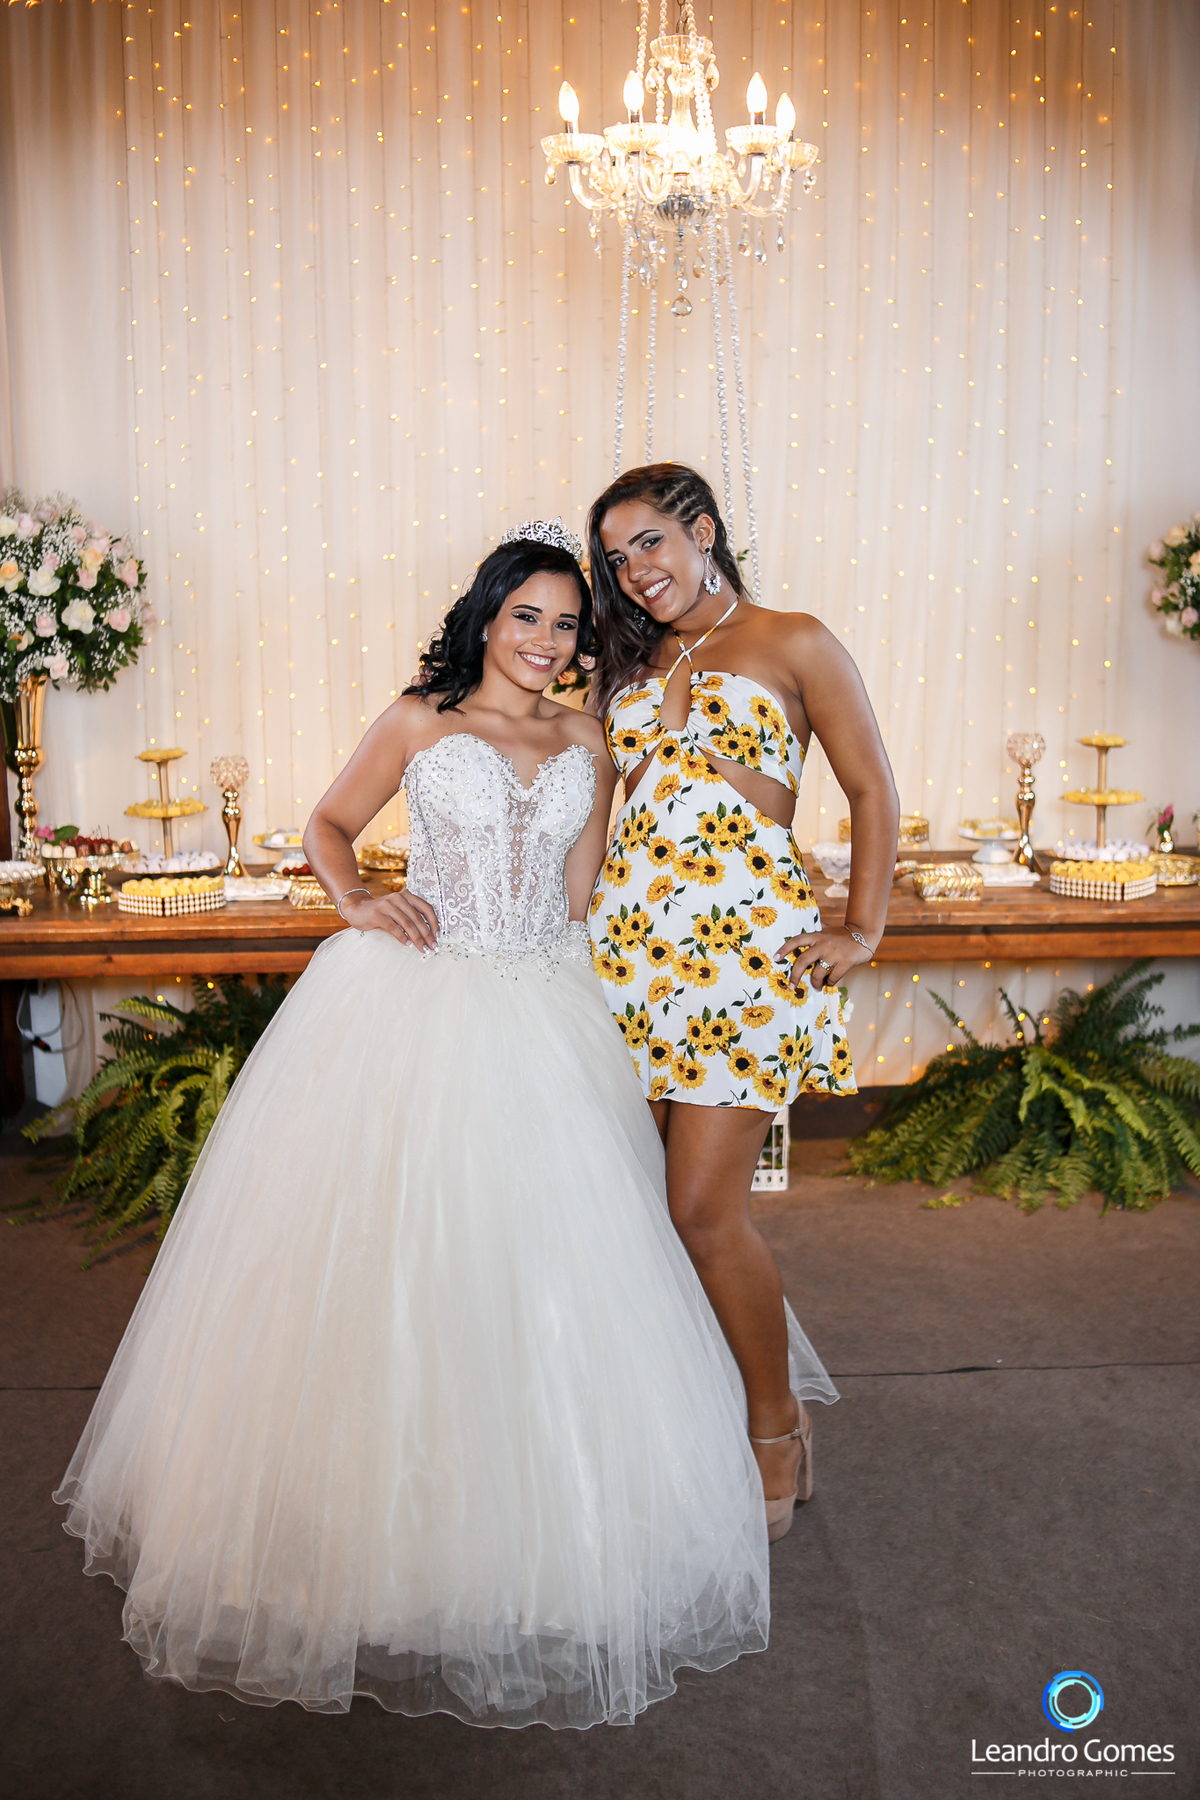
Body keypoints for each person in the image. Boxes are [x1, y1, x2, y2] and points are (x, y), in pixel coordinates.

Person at [54, 522, 792, 1729]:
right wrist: (358, 898)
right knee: (394, 1255)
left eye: (566, 623)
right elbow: (327, 825)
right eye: (526, 616)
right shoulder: (418, 719)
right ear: (486, 618)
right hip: (416, 998)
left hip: (546, 999)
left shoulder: (588, 739)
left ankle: (543, 1527)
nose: (546, 640)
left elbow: (584, 895)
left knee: (550, 1265)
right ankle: (382, 1527)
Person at [587, 464, 899, 1541]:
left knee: (703, 1210)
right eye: (617, 558)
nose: (636, 570)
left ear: (704, 531)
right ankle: (694, 1415)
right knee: (648, 1215)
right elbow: (597, 823)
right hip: (629, 963)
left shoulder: (792, 640)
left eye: (650, 542)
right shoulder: (625, 666)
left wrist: (863, 928)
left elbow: (870, 787)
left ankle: (776, 1430)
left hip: (742, 968)